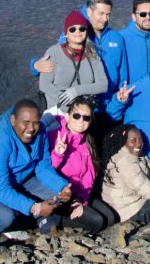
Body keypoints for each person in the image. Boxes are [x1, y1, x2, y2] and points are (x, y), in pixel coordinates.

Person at [0, 99, 73, 246]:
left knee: (55, 197)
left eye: (35, 122)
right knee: (4, 216)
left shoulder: (40, 131)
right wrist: (35, 208)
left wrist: (62, 187)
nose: (31, 128)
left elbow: (42, 167)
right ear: (13, 120)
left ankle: (10, 224)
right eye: (25, 123)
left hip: (18, 180)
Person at [32, 0, 127, 114]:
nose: (105, 18)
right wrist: (35, 65)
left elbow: (122, 79)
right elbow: (53, 60)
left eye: (108, 14)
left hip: (107, 107)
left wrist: (117, 106)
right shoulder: (75, 31)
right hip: (68, 110)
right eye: (101, 13)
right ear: (89, 12)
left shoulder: (116, 39)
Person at [41, 96, 116, 234]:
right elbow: (44, 172)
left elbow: (89, 175)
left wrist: (81, 200)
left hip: (79, 194)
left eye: (86, 118)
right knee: (97, 221)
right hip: (60, 196)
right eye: (76, 116)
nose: (81, 121)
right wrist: (58, 155)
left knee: (110, 218)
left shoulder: (87, 141)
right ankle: (53, 219)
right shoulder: (53, 137)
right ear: (67, 116)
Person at [37, 11, 107, 115]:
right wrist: (66, 101)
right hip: (57, 112)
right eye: (72, 29)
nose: (77, 32)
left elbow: (103, 85)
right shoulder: (54, 52)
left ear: (86, 31)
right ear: (66, 33)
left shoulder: (92, 55)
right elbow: (44, 84)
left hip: (82, 115)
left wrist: (75, 91)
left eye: (82, 28)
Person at [120, 0, 150, 82]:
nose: (147, 17)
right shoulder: (121, 38)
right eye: (143, 14)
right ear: (133, 17)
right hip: (131, 92)